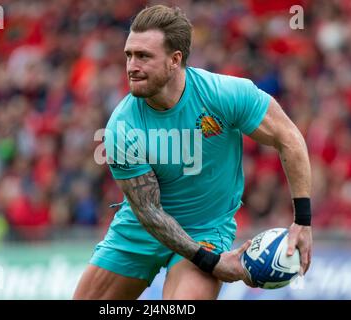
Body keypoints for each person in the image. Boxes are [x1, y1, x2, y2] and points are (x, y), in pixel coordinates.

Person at [73, 4, 312, 300]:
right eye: (129, 55)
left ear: (175, 60)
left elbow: (288, 137)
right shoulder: (121, 127)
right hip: (141, 228)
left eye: (144, 56)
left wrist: (302, 220)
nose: (131, 66)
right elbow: (149, 212)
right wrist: (212, 263)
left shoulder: (224, 95)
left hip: (206, 230)